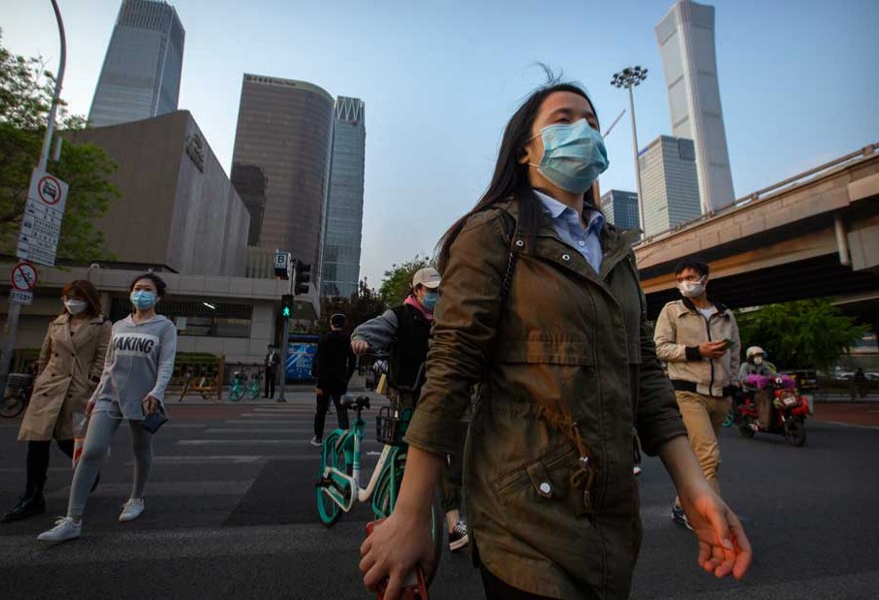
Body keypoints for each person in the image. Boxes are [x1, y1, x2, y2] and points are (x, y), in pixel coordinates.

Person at [359, 78, 751, 599]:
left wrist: (694, 486)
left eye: (592, 122)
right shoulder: (493, 233)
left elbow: (647, 376)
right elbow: (450, 372)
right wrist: (411, 513)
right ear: (526, 149)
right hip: (522, 521)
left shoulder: (617, 248)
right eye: (564, 120)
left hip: (612, 523)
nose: (584, 131)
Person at [38, 273, 177, 544]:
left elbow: (166, 364)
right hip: (109, 395)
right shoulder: (119, 325)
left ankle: (136, 498)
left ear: (158, 296)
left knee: (141, 448)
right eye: (137, 288)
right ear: (130, 294)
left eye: (147, 290)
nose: (141, 293)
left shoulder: (164, 327)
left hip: (143, 398)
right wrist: (96, 394)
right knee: (91, 452)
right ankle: (72, 519)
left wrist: (157, 392)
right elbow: (109, 364)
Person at [352, 267, 471, 552]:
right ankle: (453, 521)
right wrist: (361, 341)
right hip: (408, 395)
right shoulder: (399, 315)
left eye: (437, 291)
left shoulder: (444, 319)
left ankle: (451, 515)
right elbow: (367, 331)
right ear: (416, 290)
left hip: (442, 395)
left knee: (460, 445)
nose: (434, 296)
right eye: (429, 291)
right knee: (433, 449)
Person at [2, 281, 111, 523]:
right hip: (49, 389)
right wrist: (40, 380)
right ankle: (33, 496)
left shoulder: (102, 325)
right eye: (68, 297)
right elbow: (45, 354)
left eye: (77, 297)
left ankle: (89, 469)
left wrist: (91, 385)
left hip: (77, 390)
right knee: (37, 443)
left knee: (68, 441)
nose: (72, 301)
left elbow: (103, 359)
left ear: (89, 299)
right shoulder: (57, 323)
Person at [654, 259, 741, 530]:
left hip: (720, 394)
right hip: (688, 393)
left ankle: (683, 505)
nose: (684, 282)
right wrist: (696, 351)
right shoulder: (672, 311)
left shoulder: (725, 314)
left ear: (705, 279)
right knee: (709, 456)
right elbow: (660, 348)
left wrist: (734, 385)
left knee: (701, 458)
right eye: (680, 278)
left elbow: (736, 353)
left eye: (690, 277)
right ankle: (710, 519)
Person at [310, 313, 356, 446]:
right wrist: (346, 378)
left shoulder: (325, 339)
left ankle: (318, 437)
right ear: (344, 324)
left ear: (331, 324)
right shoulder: (348, 339)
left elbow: (319, 361)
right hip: (340, 381)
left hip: (324, 381)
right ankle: (344, 437)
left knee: (321, 410)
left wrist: (318, 381)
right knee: (342, 410)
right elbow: (352, 363)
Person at [739, 346, 776, 430]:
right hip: (750, 390)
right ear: (750, 356)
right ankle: (763, 422)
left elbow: (771, 374)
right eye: (756, 355)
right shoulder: (745, 365)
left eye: (760, 355)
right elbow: (742, 378)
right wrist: (752, 379)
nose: (759, 358)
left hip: (762, 389)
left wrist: (780, 377)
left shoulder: (763, 365)